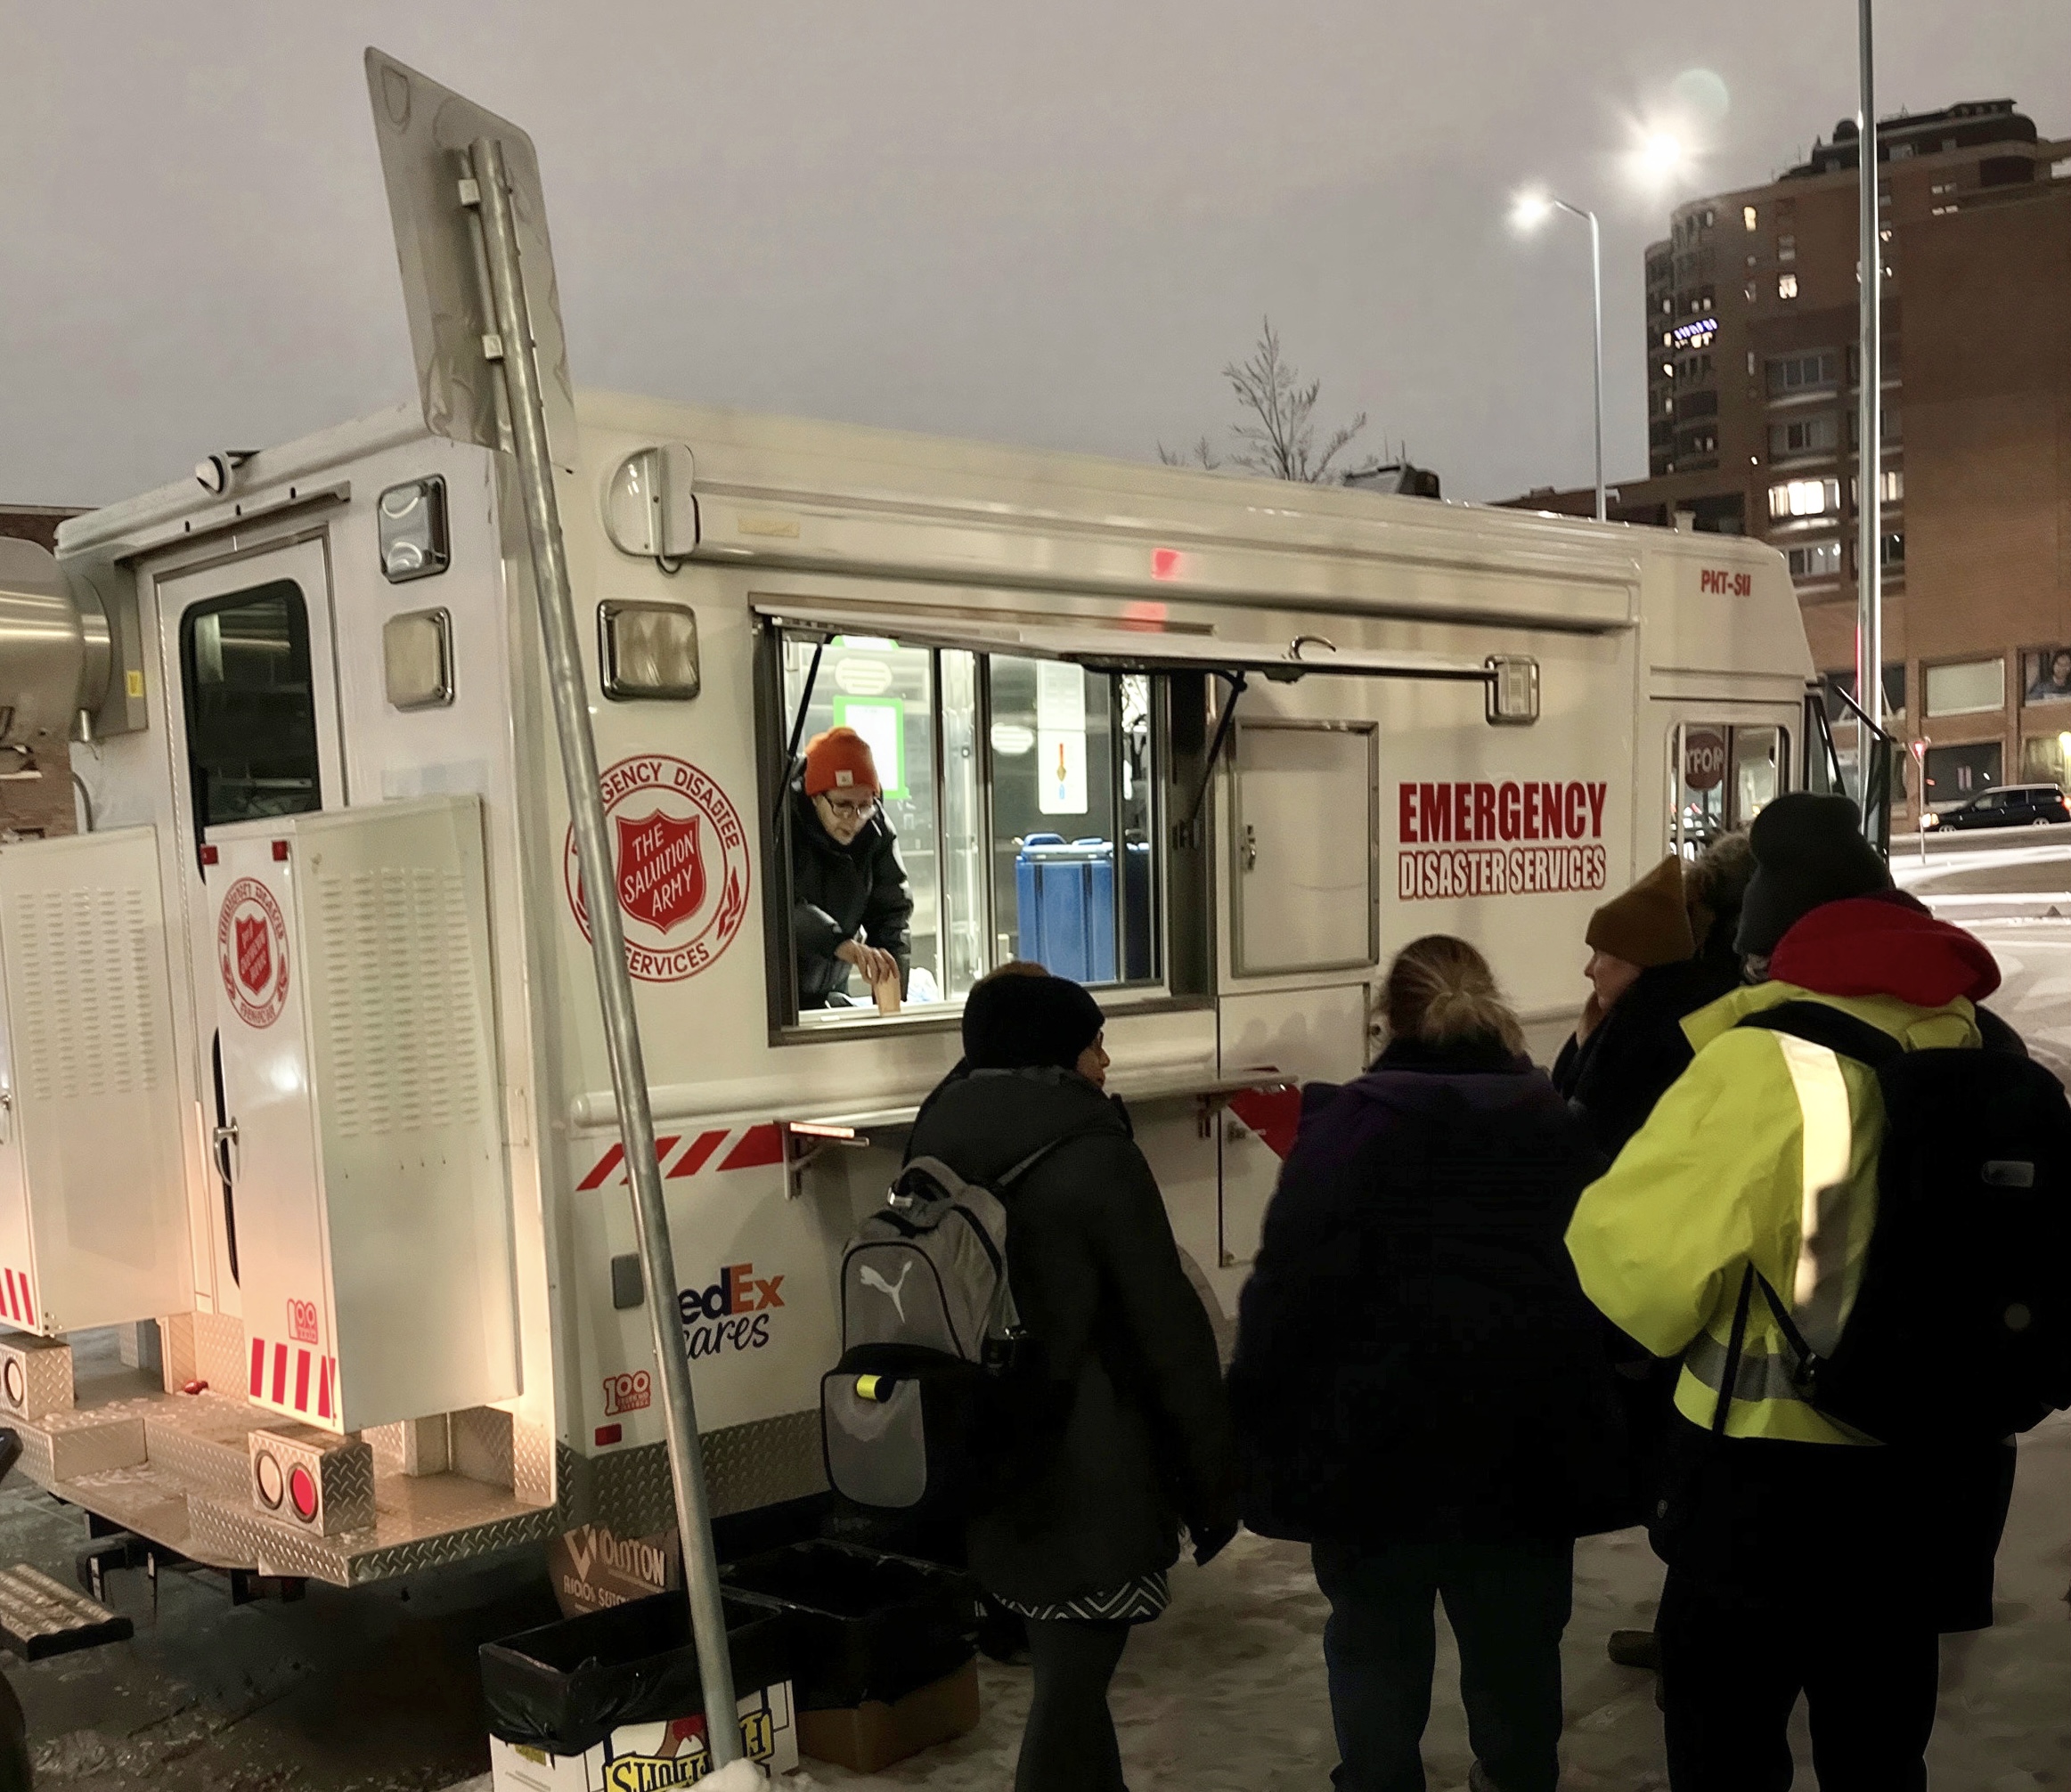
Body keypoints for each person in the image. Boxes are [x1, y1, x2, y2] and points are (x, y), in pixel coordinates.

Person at [1566, 792, 2018, 1792]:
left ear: (1769, 946)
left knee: (1723, 1736)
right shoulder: (1985, 1045)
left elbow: (1631, 1271)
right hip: (1938, 1465)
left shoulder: (1765, 1061)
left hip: (1766, 1483)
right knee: (1879, 1739)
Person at [1229, 936, 1627, 1792]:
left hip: (1368, 1452)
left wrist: (1252, 1428)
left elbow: (1282, 1297)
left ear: (1386, 1020)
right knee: (1518, 1649)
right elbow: (1611, 1287)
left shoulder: (1344, 1133)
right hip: (1526, 1450)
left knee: (1373, 1646)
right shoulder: (1557, 1130)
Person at [904, 967, 1238, 1792]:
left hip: (981, 1442)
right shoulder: (1093, 1154)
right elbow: (1167, 1332)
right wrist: (1213, 1484)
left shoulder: (934, 1136)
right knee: (1070, 1679)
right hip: (1092, 1457)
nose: (1105, 1061)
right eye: (1094, 1042)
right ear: (1054, 1051)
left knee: (1066, 1661)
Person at [786, 727, 914, 1009]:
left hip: (830, 984)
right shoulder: (784, 825)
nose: (854, 819)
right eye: (842, 805)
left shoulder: (876, 831)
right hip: (778, 997)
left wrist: (892, 995)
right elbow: (781, 905)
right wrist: (840, 945)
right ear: (815, 796)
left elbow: (892, 914)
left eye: (865, 805)